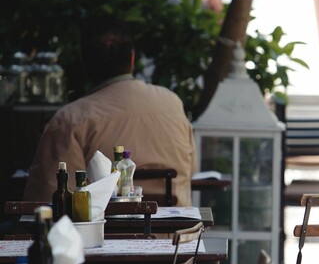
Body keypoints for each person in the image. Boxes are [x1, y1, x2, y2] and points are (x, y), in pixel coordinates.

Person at [24, 19, 197, 205]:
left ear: (84, 64)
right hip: (175, 231)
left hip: (102, 233)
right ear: (132, 58)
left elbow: (48, 197)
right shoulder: (172, 103)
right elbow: (192, 169)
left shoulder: (71, 119)